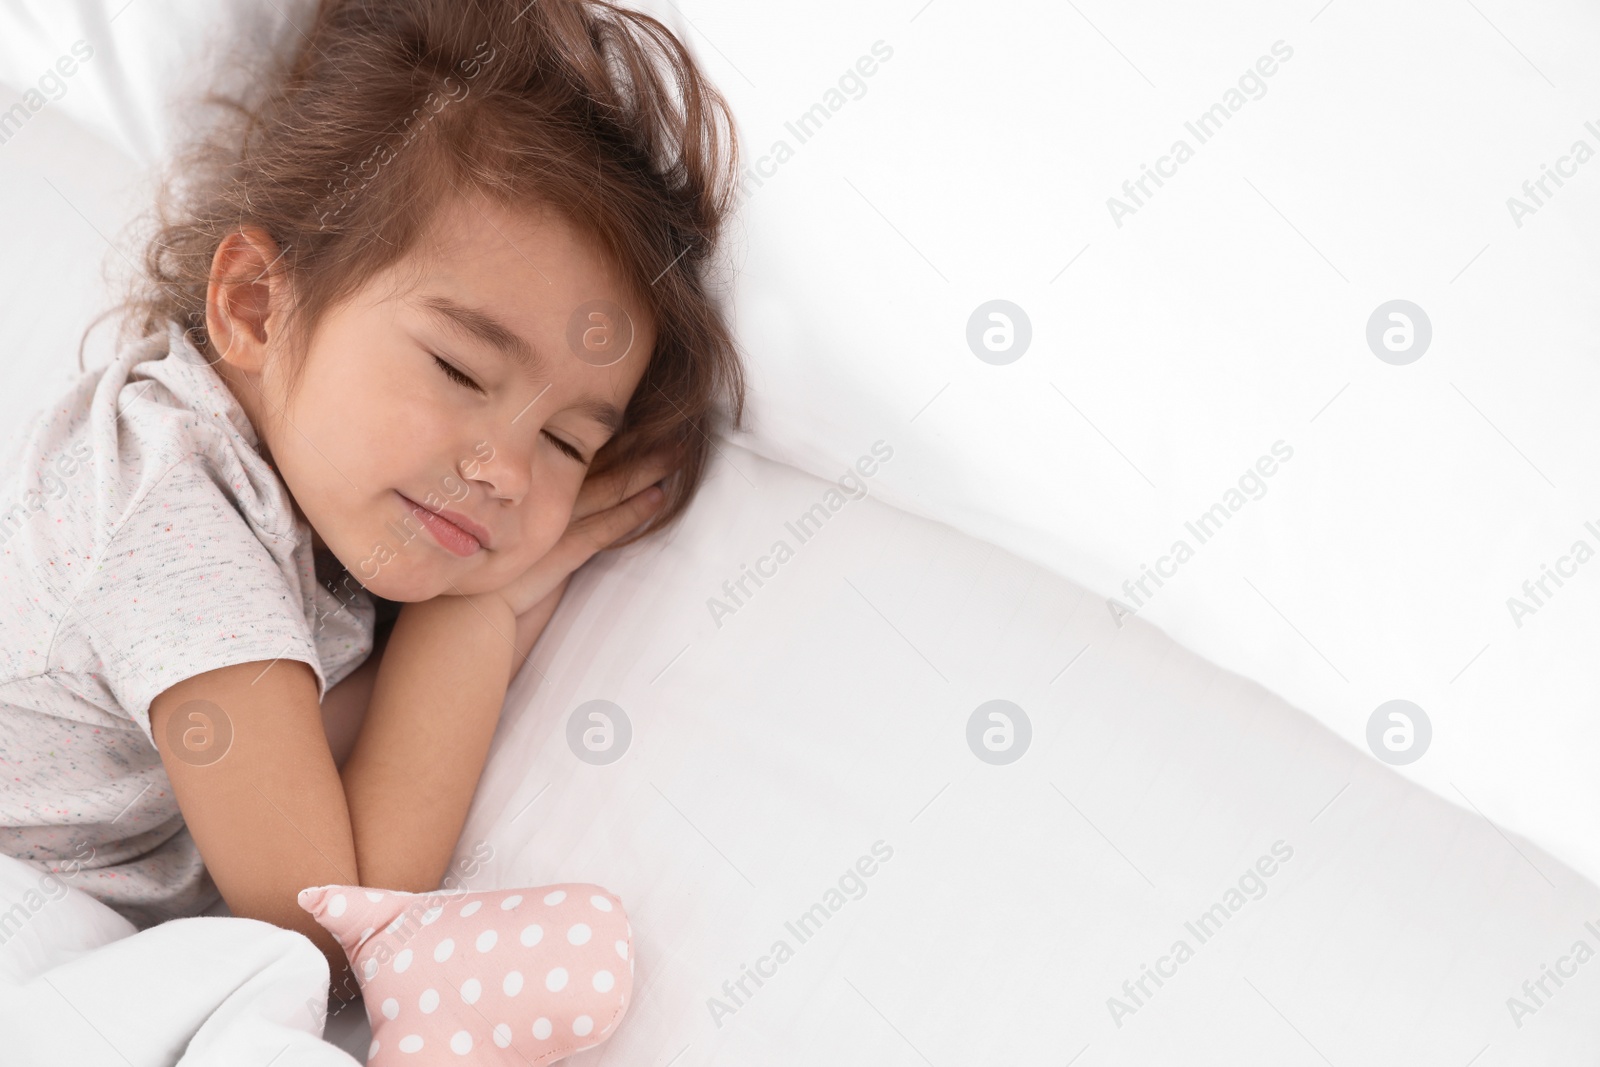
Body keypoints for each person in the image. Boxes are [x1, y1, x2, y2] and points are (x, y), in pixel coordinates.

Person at [0, 0, 745, 999]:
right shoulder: (172, 516)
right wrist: (474, 614)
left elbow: (313, 766)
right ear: (257, 305)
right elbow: (331, 941)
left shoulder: (308, 515)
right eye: (459, 368)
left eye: (566, 440)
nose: (507, 472)